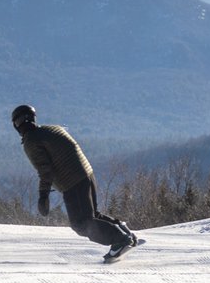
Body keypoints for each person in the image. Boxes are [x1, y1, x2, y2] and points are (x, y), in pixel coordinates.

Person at [12, 104, 138, 262]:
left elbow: (46, 171)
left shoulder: (31, 141)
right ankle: (125, 233)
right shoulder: (50, 129)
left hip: (73, 182)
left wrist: (43, 196)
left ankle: (121, 240)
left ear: (18, 124)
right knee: (92, 216)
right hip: (87, 173)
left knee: (81, 223)